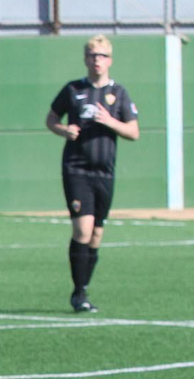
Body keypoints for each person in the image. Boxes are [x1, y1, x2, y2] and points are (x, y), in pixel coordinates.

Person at [44, 35, 140, 313]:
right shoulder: (73, 90)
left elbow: (133, 132)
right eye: (92, 55)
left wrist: (110, 121)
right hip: (76, 168)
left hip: (105, 173)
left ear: (110, 60)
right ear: (85, 59)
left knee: (96, 235)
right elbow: (51, 119)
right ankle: (79, 293)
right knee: (82, 230)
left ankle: (84, 287)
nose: (97, 60)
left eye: (102, 56)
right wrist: (63, 130)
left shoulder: (118, 93)